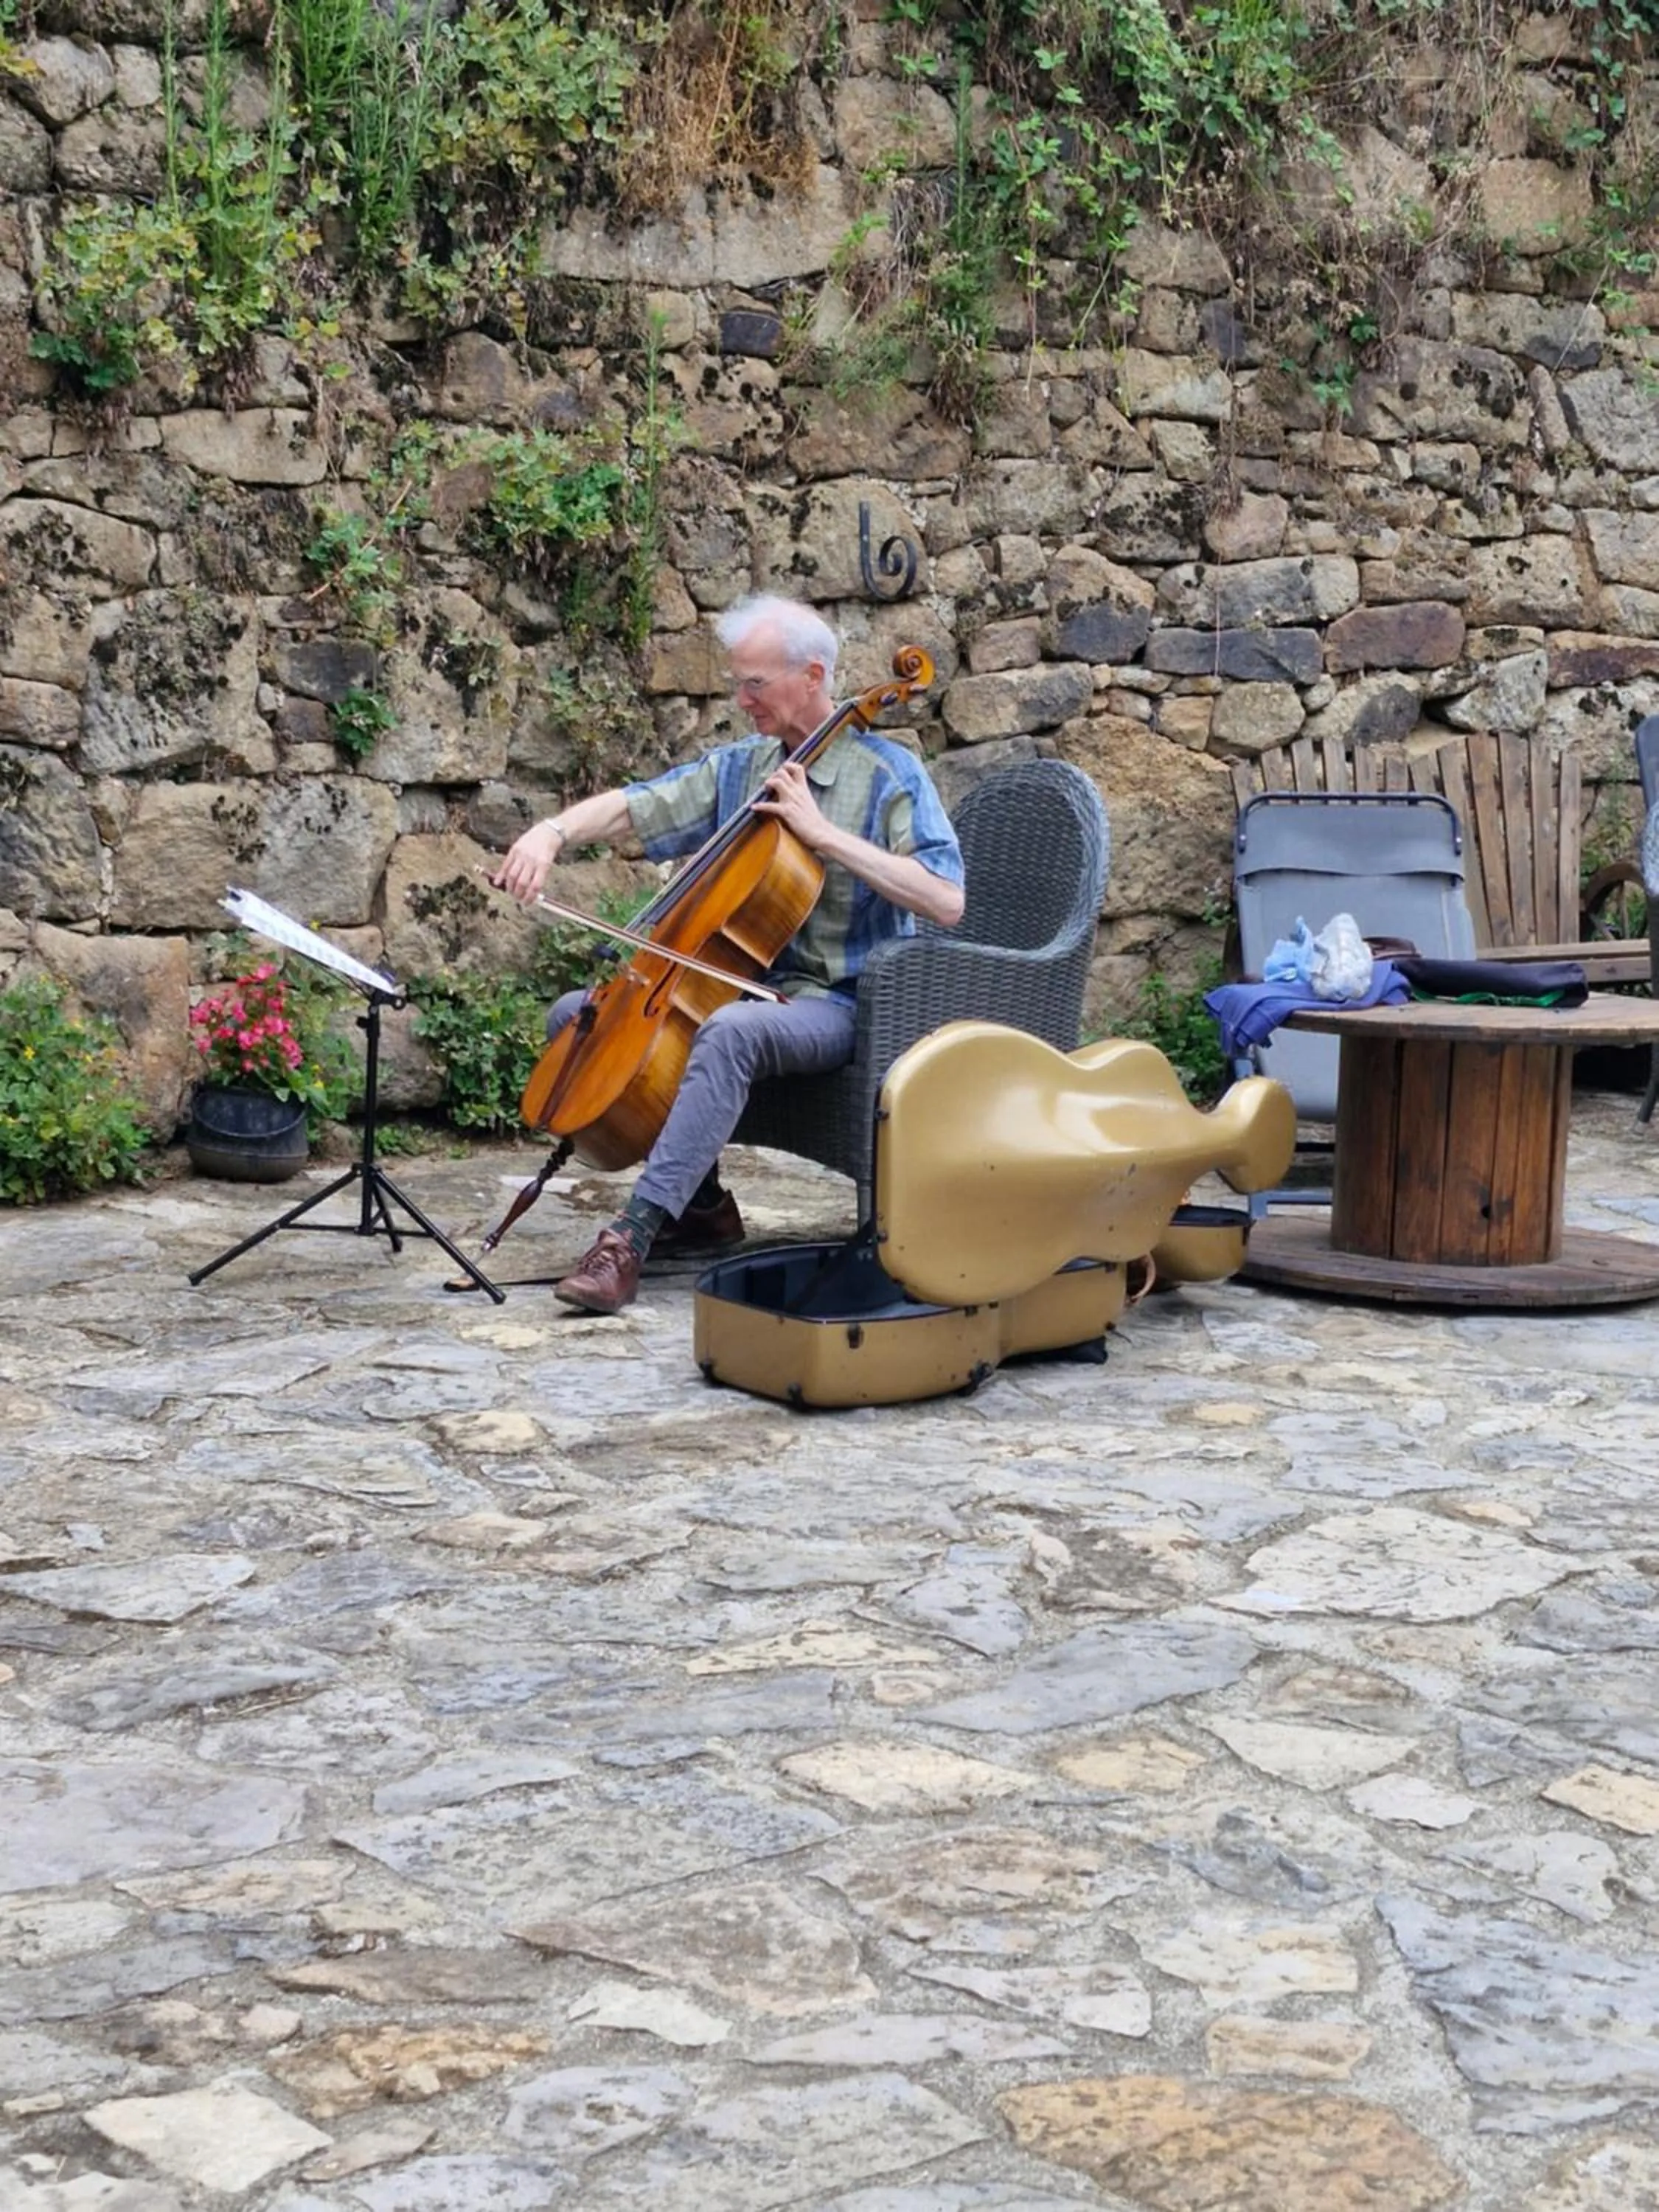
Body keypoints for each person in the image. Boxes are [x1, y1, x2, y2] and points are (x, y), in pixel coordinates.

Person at [493, 593, 966, 1315]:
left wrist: (825, 835)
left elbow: (945, 898)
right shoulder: (745, 768)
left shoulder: (889, 774)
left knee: (728, 1033)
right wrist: (550, 834)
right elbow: (639, 805)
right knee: (579, 1015)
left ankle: (632, 1237)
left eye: (756, 684)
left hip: (840, 1004)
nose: (741, 699)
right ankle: (703, 1204)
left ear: (812, 676)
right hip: (746, 987)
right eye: (737, 683)